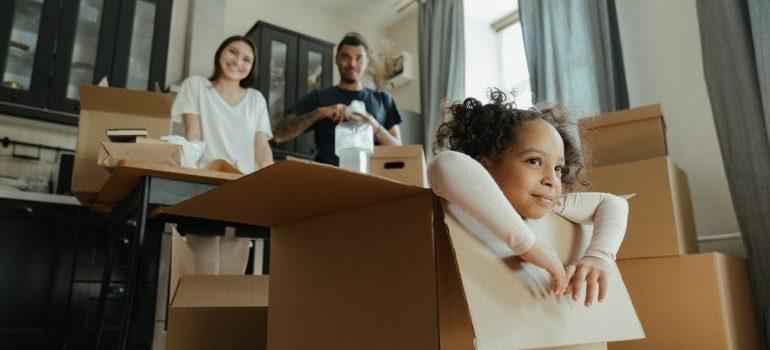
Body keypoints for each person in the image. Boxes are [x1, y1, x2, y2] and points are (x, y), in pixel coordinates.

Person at [428, 90, 628, 307]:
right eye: (534, 161)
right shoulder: (458, 191)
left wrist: (599, 256)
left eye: (558, 168)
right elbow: (444, 164)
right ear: (484, 166)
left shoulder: (549, 201)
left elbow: (614, 203)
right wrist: (529, 246)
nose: (552, 180)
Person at [171, 35, 274, 274]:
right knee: (202, 271)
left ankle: (221, 312)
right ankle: (194, 311)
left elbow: (261, 147)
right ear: (220, 53)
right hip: (206, 186)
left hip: (243, 187)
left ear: (252, 67)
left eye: (247, 59)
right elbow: (193, 136)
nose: (238, 61)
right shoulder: (196, 87)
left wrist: (272, 180)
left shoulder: (256, 99)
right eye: (233, 52)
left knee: (230, 277)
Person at [272, 32, 402, 165]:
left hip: (371, 180)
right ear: (336, 59)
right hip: (327, 179)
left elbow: (400, 153)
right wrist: (321, 113)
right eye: (346, 57)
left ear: (367, 61)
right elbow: (279, 134)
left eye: (359, 58)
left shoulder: (383, 100)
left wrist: (374, 127)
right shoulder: (320, 97)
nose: (352, 63)